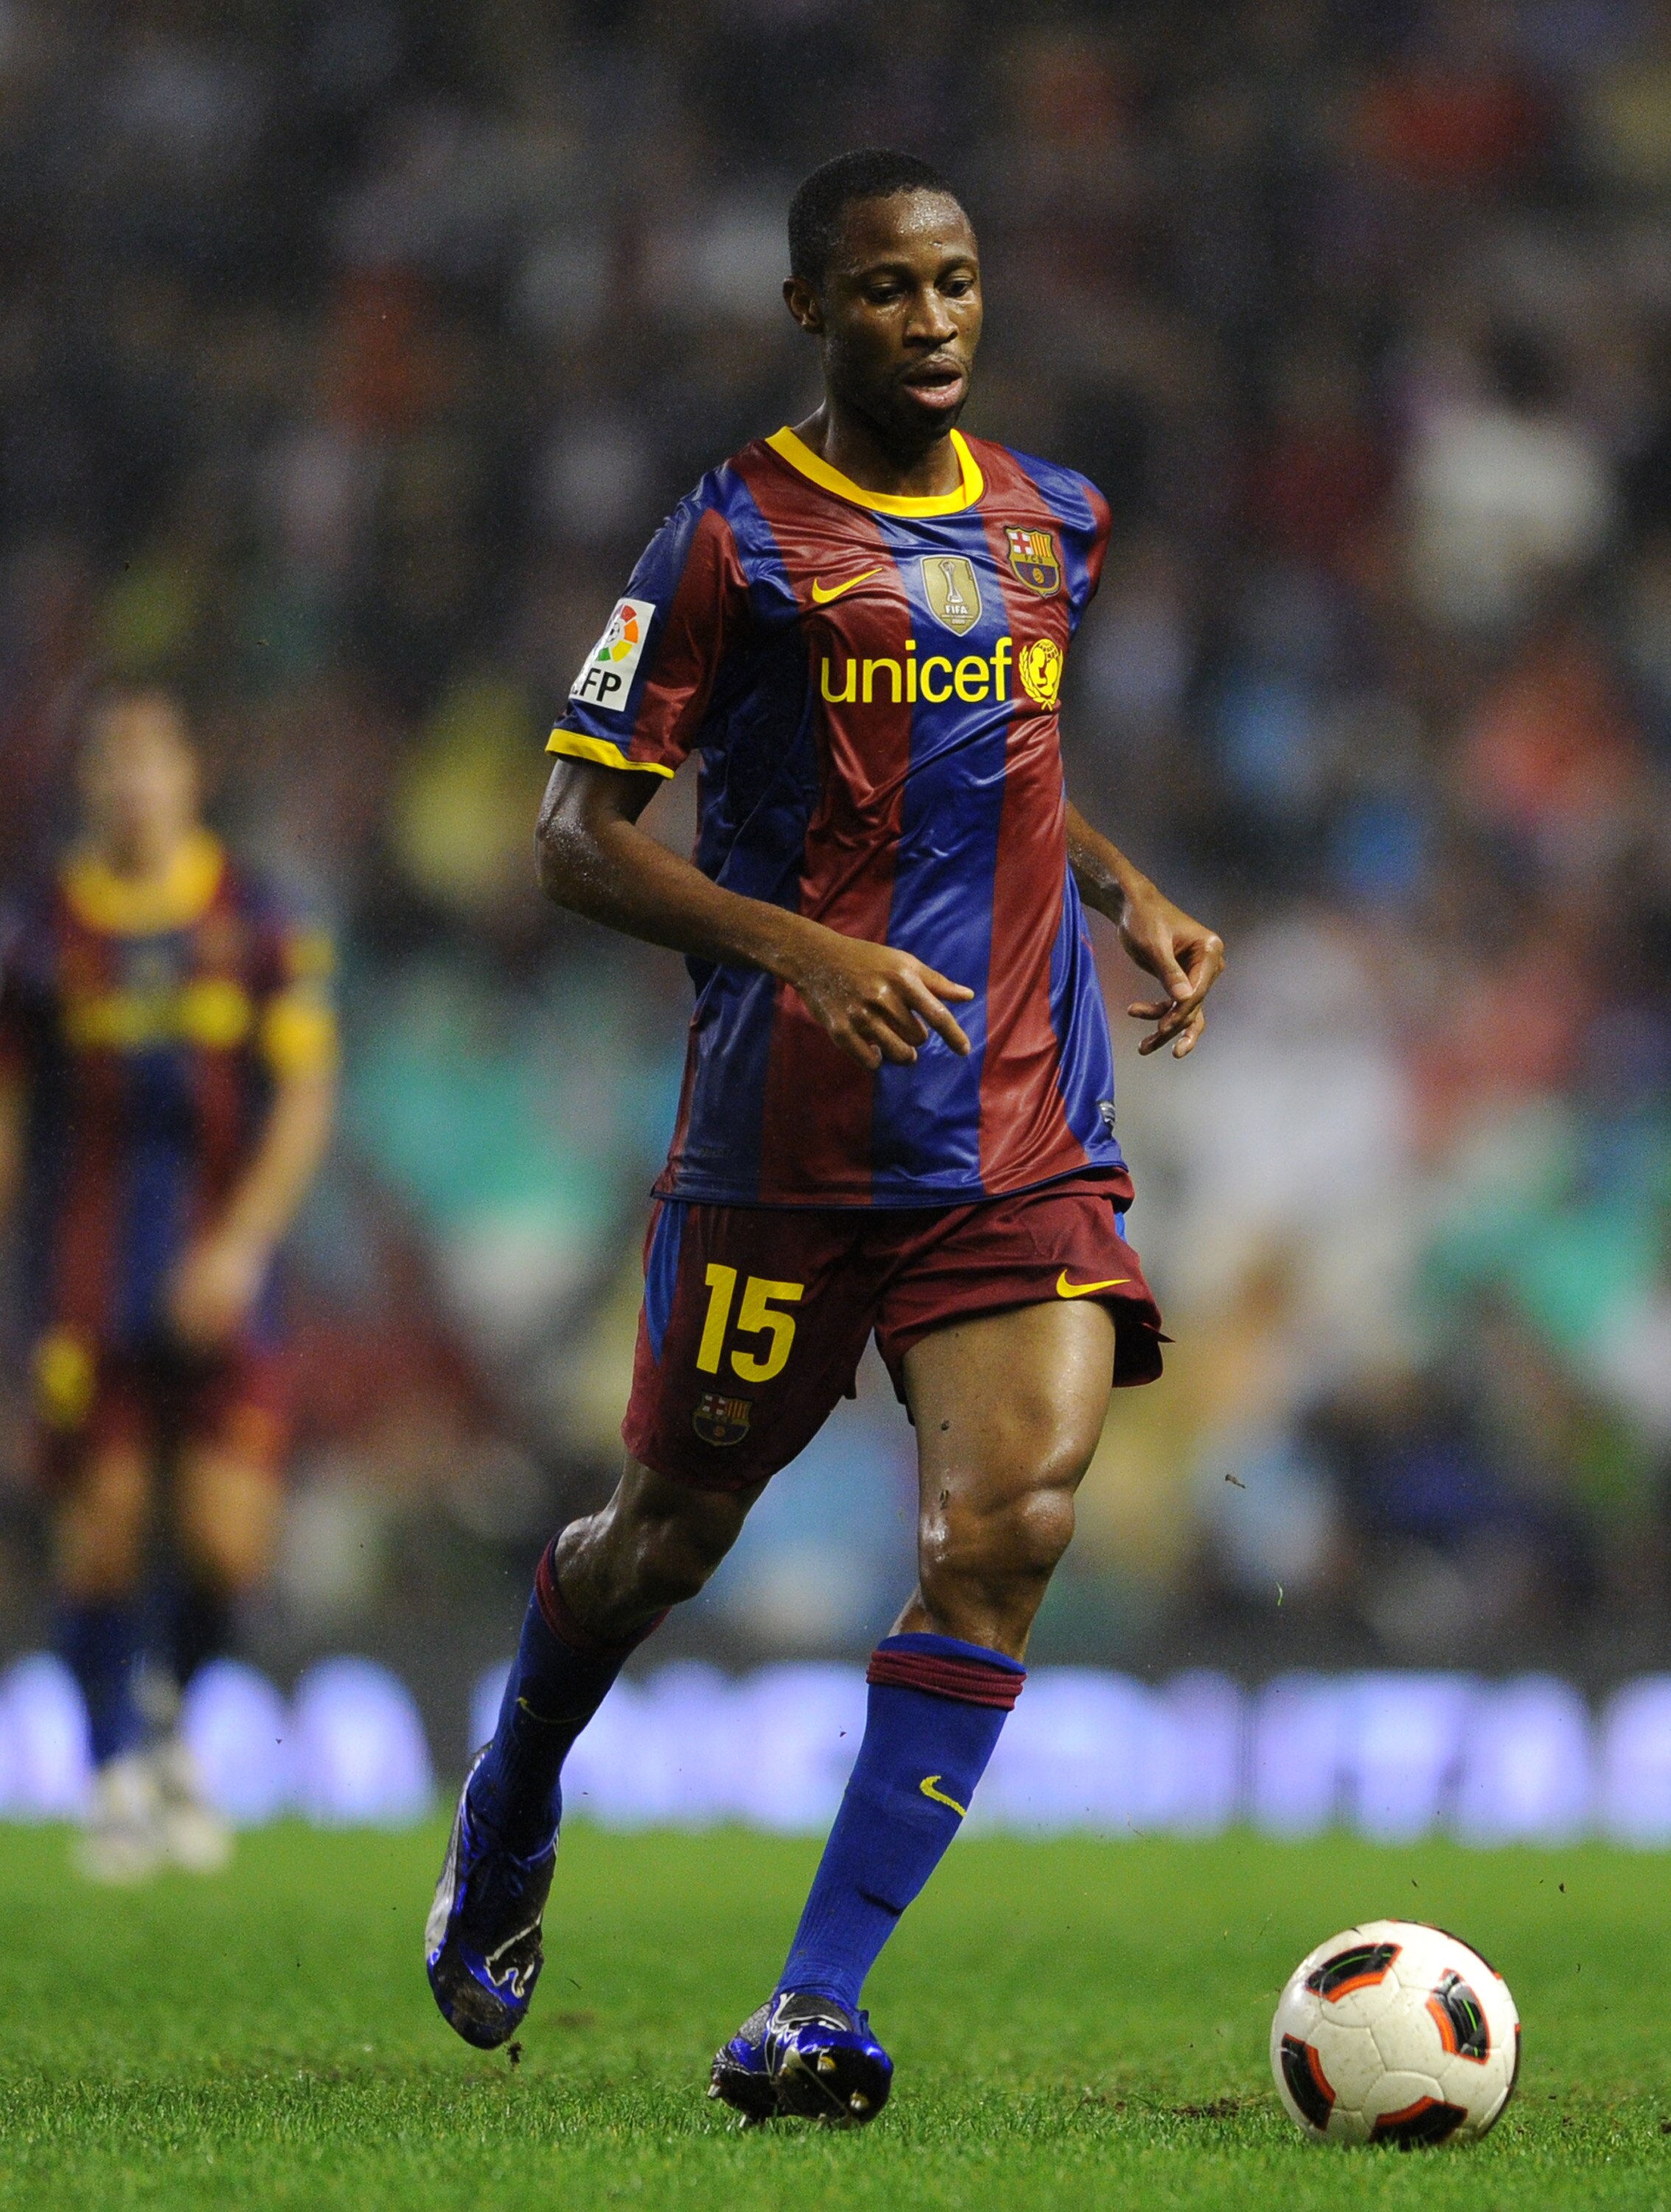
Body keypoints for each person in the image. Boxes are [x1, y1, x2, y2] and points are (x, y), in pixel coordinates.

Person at [426, 148, 1225, 2121]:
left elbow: (1010, 760)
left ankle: (815, 2006)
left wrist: (1121, 894)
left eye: (955, 283)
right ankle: (515, 1786)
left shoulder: (1057, 519)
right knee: (662, 1545)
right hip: (786, 1145)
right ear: (811, 311)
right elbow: (570, 840)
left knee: (1009, 1530)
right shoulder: (729, 538)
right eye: (886, 290)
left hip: (1015, 1127)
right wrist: (801, 951)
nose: (932, 320)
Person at [0, 688, 336, 1880]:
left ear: (193, 774)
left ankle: (169, 1720)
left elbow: (302, 1096)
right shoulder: (39, 936)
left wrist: (242, 1246)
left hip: (222, 1271)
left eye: (155, 756)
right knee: (96, 1539)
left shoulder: (257, 918)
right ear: (87, 781)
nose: (133, 781)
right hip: (87, 1277)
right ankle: (110, 1782)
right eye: (112, 761)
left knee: (228, 1547)